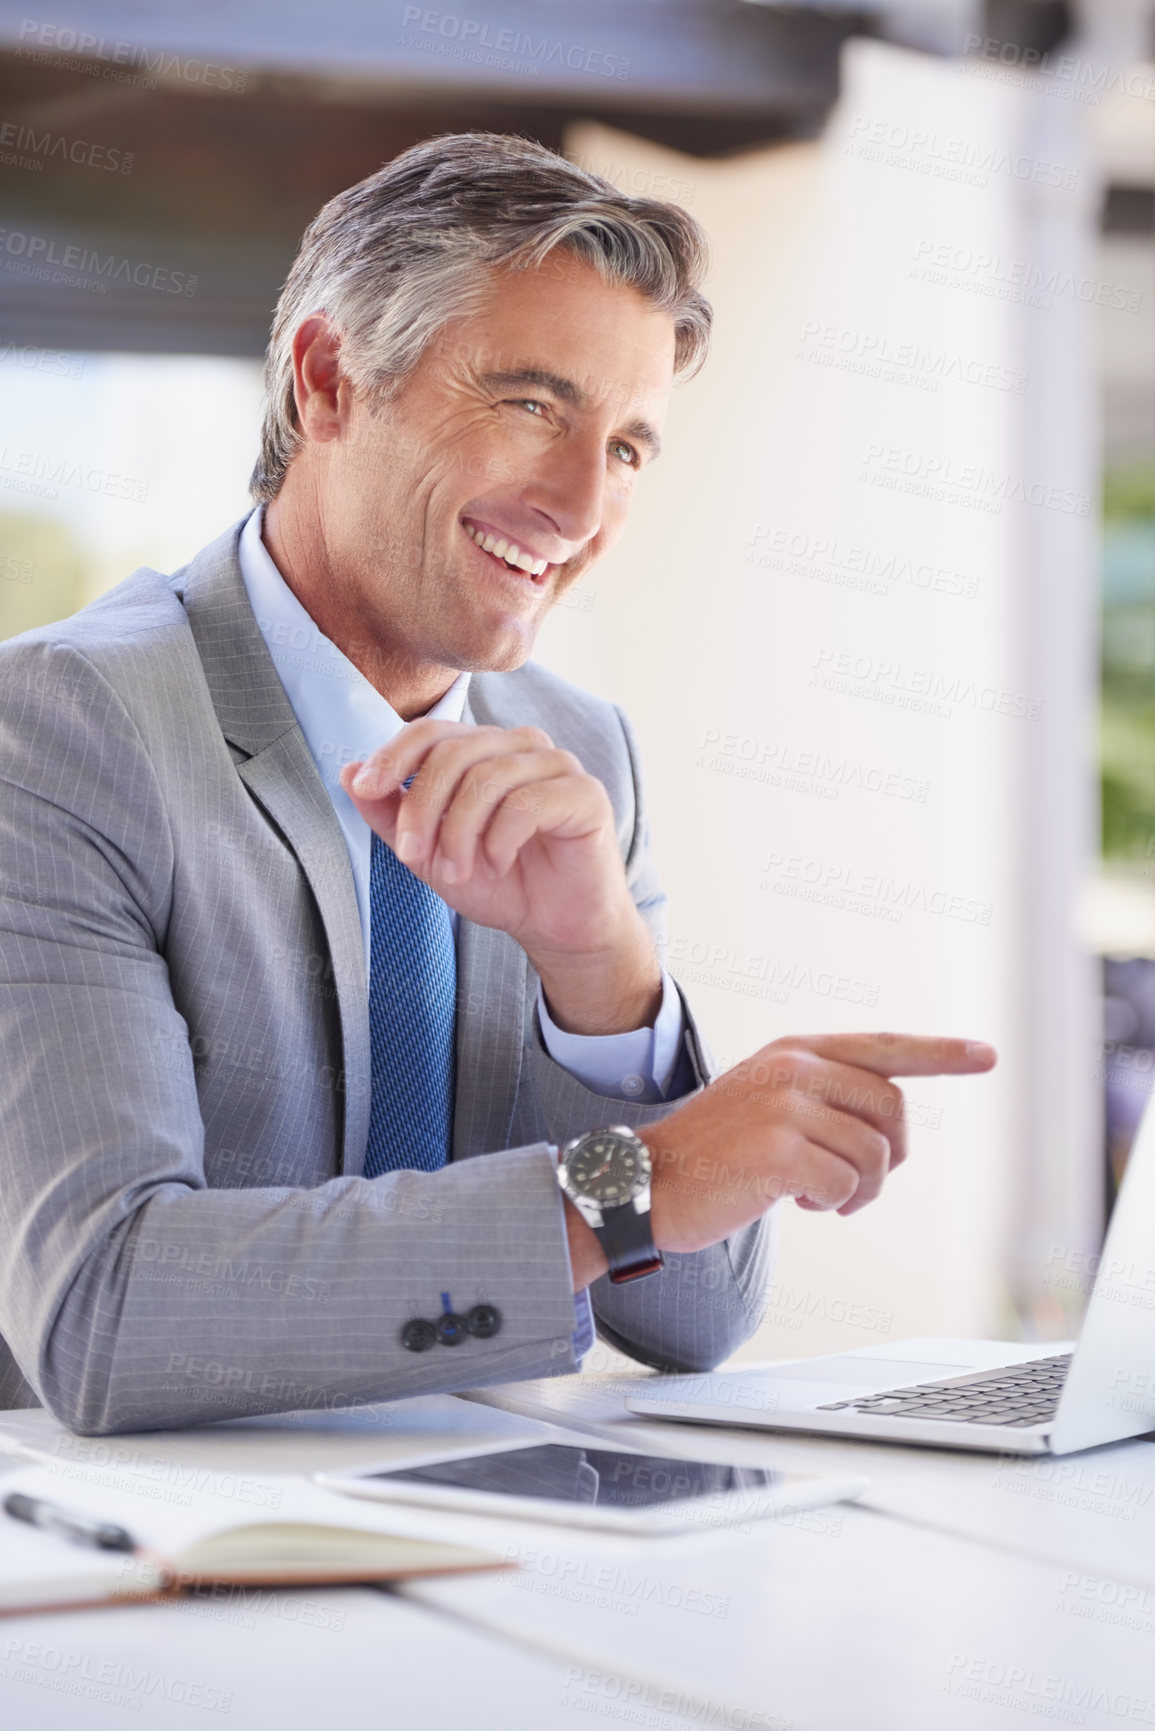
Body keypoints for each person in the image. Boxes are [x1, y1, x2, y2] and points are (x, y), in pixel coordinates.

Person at [0, 134, 995, 1435]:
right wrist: (623, 1182)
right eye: (532, 403)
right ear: (328, 380)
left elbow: (687, 1320)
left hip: (495, 1524)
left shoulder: (580, 754)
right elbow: (101, 1311)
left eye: (630, 447)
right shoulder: (61, 730)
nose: (583, 500)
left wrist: (607, 979)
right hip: (163, 1569)